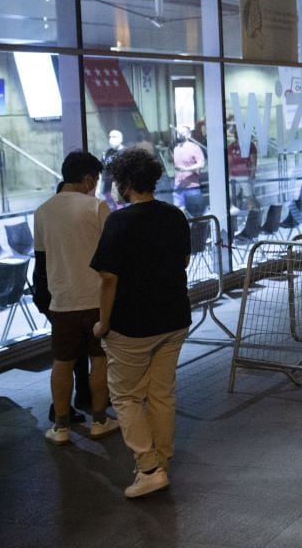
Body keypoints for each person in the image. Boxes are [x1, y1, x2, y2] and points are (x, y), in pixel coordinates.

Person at [91, 147, 192, 498]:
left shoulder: (119, 222)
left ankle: (148, 467)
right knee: (161, 393)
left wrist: (103, 324)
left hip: (132, 325)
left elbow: (108, 279)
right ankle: (160, 461)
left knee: (126, 397)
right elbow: (183, 262)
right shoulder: (175, 216)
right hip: (175, 318)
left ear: (126, 183)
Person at [34, 151, 120, 445]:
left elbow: (41, 259)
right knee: (99, 359)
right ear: (87, 179)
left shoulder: (42, 211)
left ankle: (60, 427)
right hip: (97, 300)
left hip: (62, 301)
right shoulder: (97, 207)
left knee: (62, 363)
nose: (95, 186)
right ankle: (99, 420)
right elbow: (112, 256)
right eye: (95, 180)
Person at [172, 125, 205, 209]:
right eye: (179, 132)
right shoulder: (176, 149)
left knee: (196, 212)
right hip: (178, 186)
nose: (180, 134)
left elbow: (201, 164)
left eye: (182, 132)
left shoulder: (195, 147)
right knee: (178, 211)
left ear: (189, 135)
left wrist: (186, 169)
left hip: (192, 186)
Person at [226, 122, 258, 211]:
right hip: (234, 176)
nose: (237, 135)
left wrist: (252, 175)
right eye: (236, 133)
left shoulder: (250, 145)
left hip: (246, 176)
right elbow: (229, 162)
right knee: (232, 197)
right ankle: (235, 215)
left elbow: (253, 162)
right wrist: (229, 175)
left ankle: (253, 215)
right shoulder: (231, 146)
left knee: (249, 197)